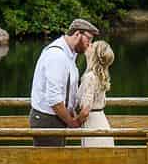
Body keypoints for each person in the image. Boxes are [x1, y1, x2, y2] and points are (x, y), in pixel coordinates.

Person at [73, 40, 121, 164]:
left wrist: (73, 123)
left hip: (93, 124)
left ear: (93, 54)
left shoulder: (90, 77)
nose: (88, 46)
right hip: (102, 122)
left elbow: (85, 110)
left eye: (92, 46)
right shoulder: (100, 75)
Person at [29, 19, 98, 147]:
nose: (90, 44)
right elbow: (54, 99)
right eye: (88, 39)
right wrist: (72, 122)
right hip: (47, 120)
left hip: (57, 118)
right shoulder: (57, 55)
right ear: (77, 34)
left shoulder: (69, 55)